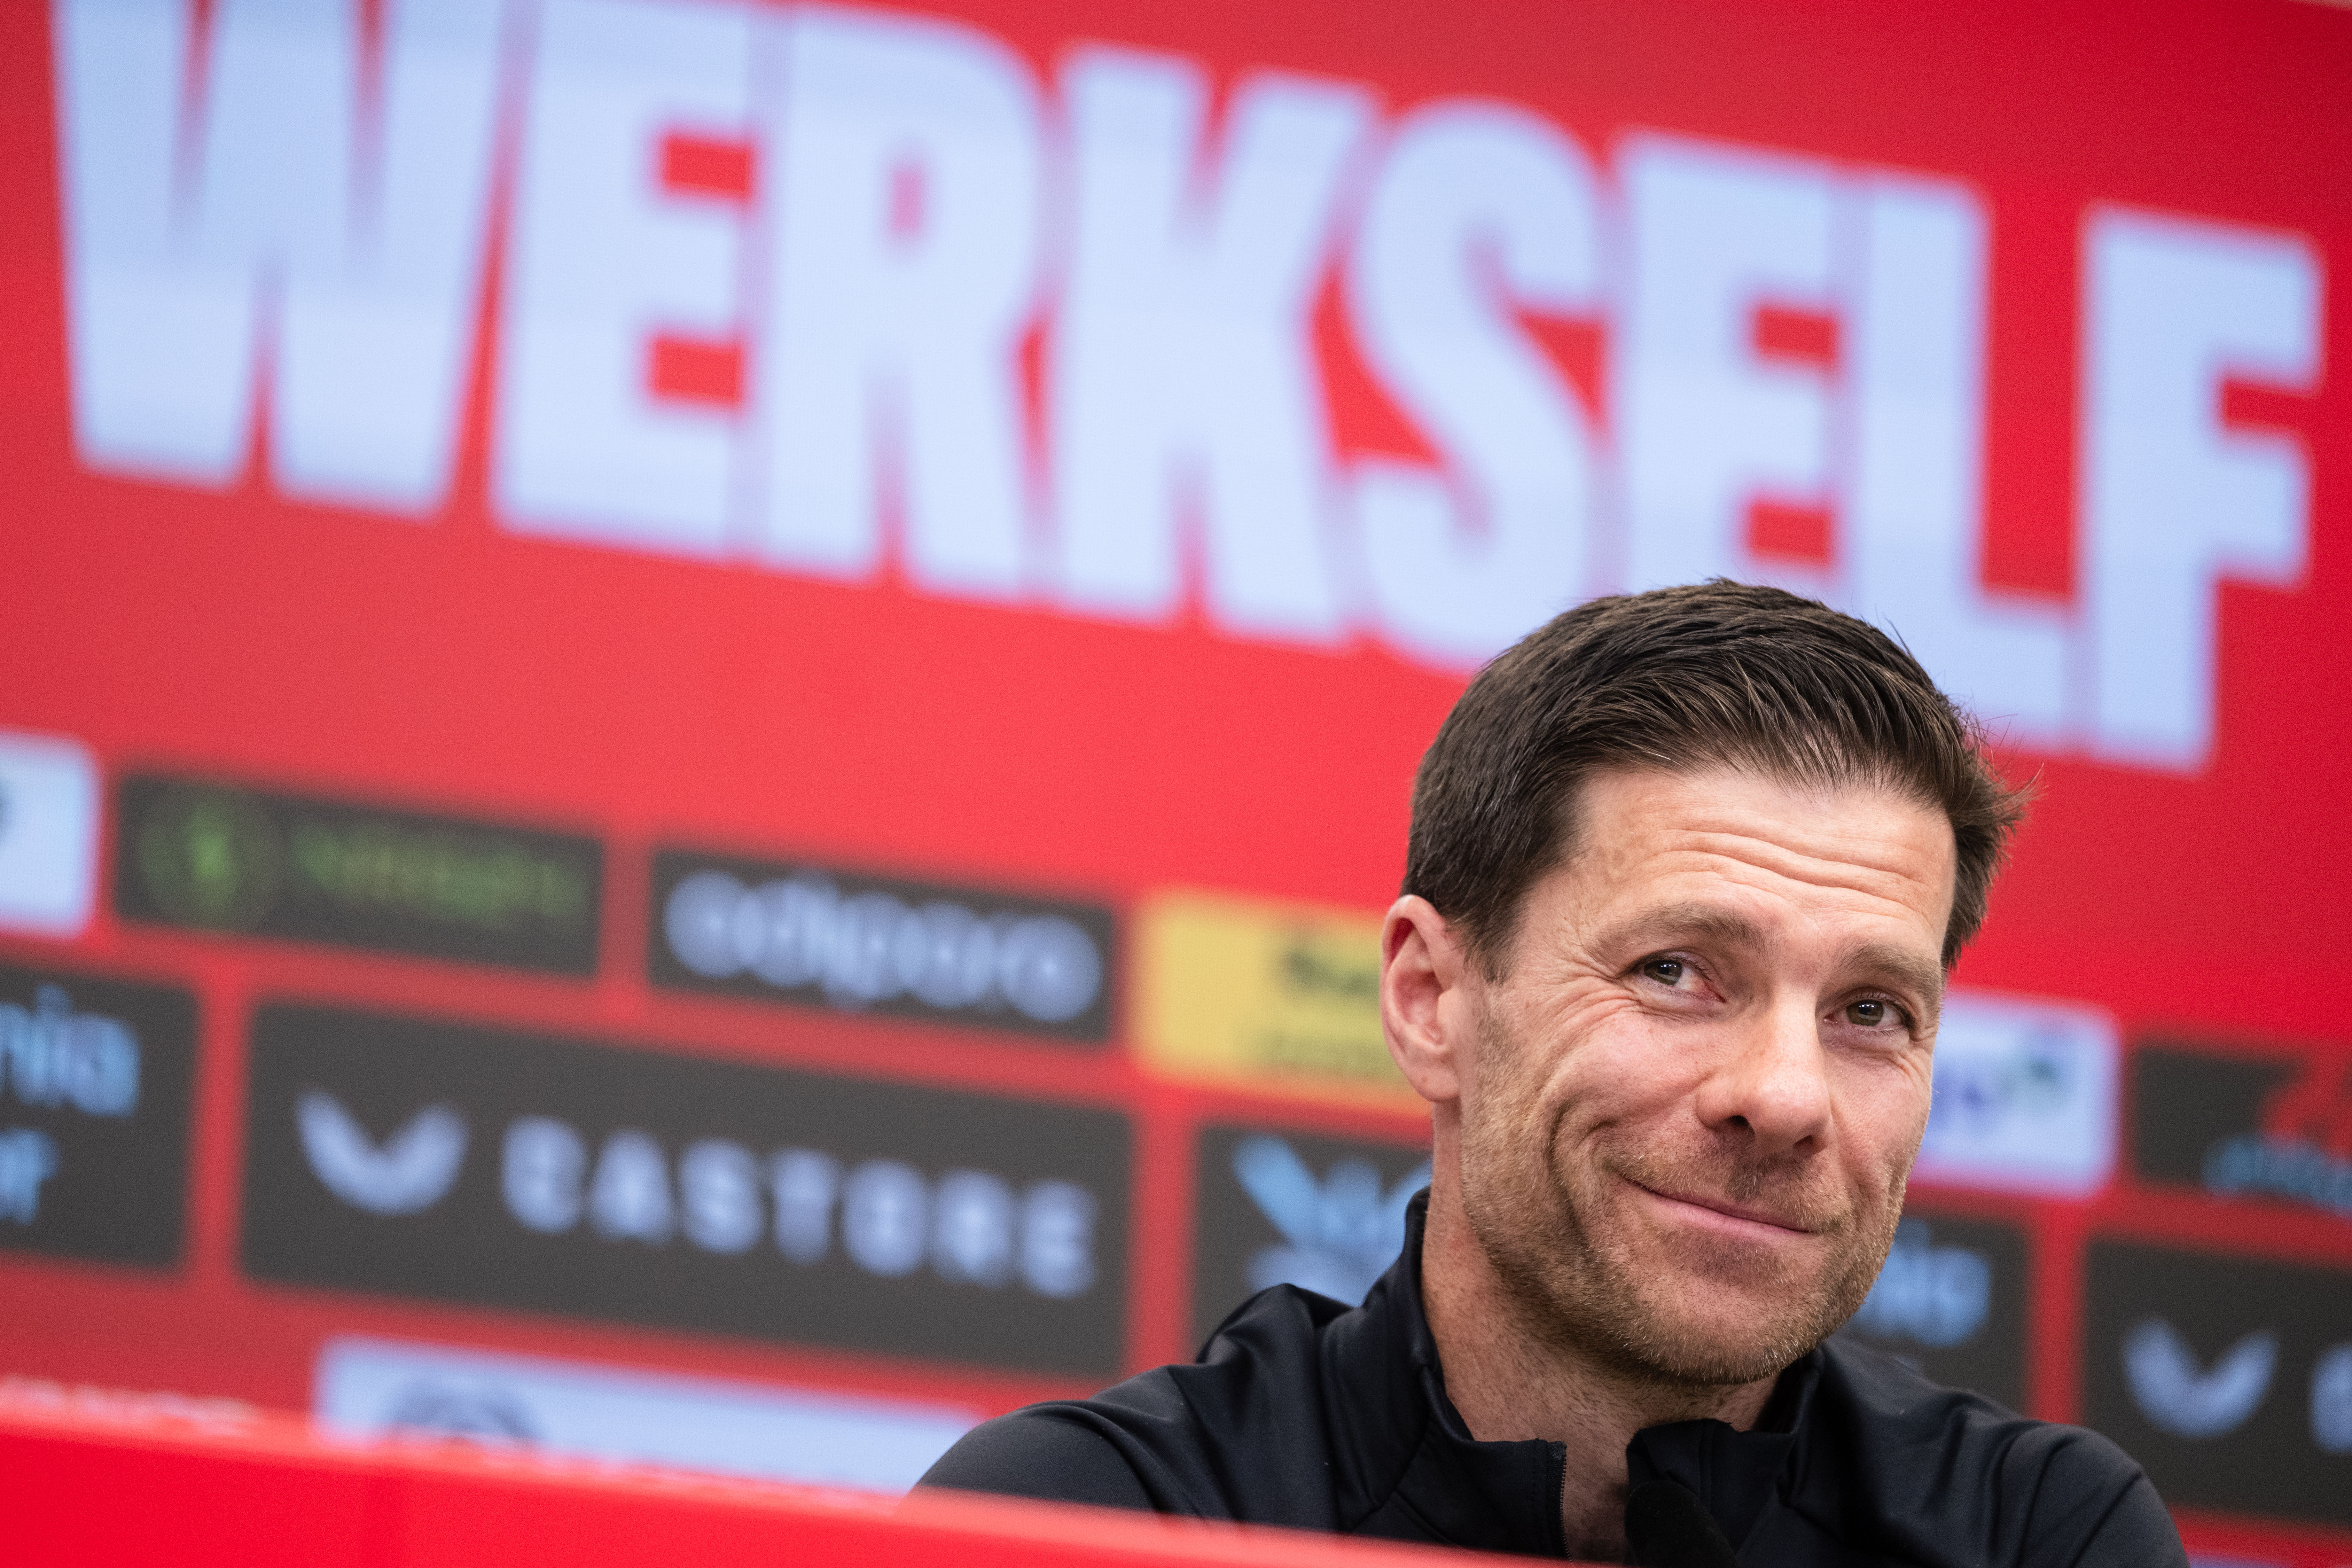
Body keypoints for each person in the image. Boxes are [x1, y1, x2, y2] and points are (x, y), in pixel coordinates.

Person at [916, 582, 2185, 1565]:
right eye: (1676, 972)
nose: (1787, 1095)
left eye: (1868, 1009)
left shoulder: (2037, 1538)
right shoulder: (1093, 1526)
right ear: (1430, 1000)